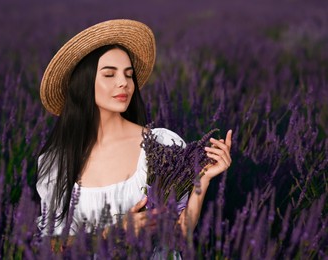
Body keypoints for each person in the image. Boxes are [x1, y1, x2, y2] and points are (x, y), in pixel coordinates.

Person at [36, 19, 232, 252]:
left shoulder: (160, 145)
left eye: (129, 75)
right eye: (109, 74)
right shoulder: (56, 162)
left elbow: (179, 235)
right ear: (83, 84)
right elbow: (53, 247)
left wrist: (203, 182)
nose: (124, 83)